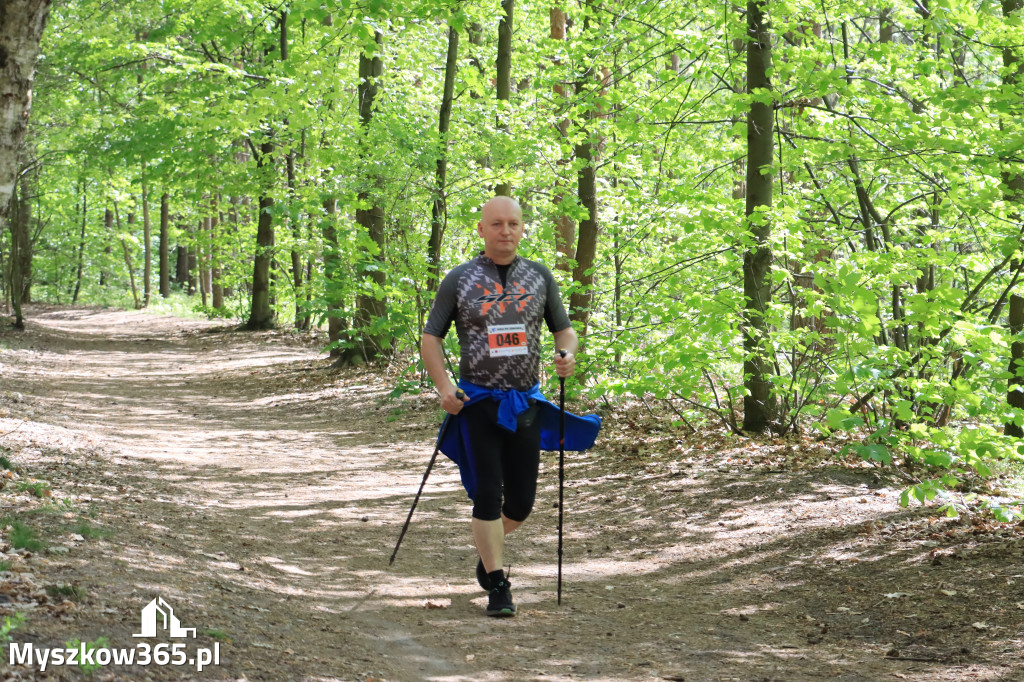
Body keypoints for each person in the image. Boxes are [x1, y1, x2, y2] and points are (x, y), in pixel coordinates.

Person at [421, 195, 580, 617]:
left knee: (522, 504)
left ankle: (486, 551)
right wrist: (445, 387)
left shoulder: (539, 276)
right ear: (481, 229)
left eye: (512, 223)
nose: (505, 231)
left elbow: (564, 331)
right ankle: (497, 582)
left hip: (525, 401)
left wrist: (567, 355)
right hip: (477, 404)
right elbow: (430, 337)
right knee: (487, 495)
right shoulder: (460, 279)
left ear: (522, 227)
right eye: (496, 224)